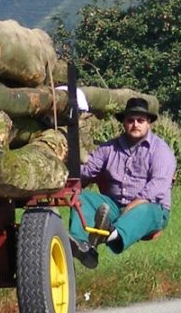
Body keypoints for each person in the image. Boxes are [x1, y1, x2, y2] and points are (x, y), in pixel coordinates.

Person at [70, 95, 175, 269]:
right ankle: (82, 245)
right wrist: (64, 174)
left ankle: (113, 234)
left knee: (144, 210)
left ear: (148, 123)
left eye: (140, 120)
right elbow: (88, 170)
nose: (135, 124)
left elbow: (158, 185)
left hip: (151, 208)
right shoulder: (109, 148)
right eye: (130, 120)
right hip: (115, 205)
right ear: (124, 123)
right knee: (82, 197)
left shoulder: (160, 150)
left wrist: (133, 205)